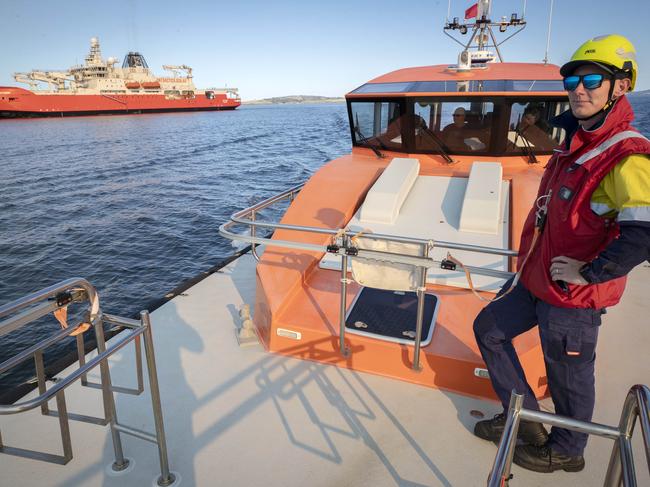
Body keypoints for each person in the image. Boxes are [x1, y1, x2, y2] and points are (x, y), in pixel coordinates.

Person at [472, 34, 650, 474]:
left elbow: (643, 233)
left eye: (592, 79)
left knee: (568, 376)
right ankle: (526, 421)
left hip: (574, 295)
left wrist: (590, 273)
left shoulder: (628, 156)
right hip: (537, 281)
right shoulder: (574, 144)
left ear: (621, 87)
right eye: (572, 81)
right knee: (489, 329)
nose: (579, 89)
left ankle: (566, 450)